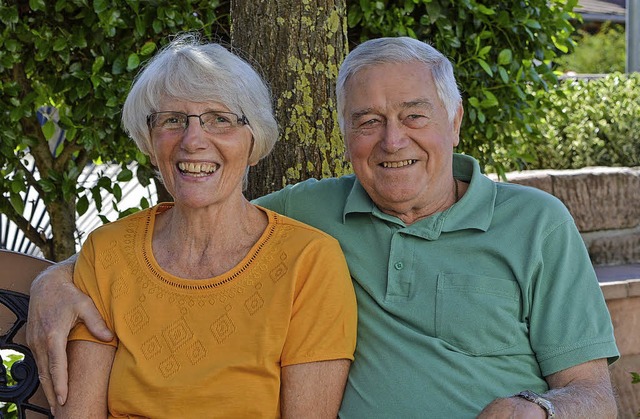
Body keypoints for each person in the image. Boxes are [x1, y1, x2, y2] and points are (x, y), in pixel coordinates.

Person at [28, 36, 619, 418]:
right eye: (368, 121)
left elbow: (595, 397)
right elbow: (203, 213)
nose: (393, 140)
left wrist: (535, 411)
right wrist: (53, 279)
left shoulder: (535, 223)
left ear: (455, 120)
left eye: (414, 116)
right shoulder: (310, 216)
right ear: (344, 134)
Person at [45, 34, 357, 418]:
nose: (193, 141)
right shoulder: (107, 252)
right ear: (150, 141)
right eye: (172, 120)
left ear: (253, 142)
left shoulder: (309, 262)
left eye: (219, 120)